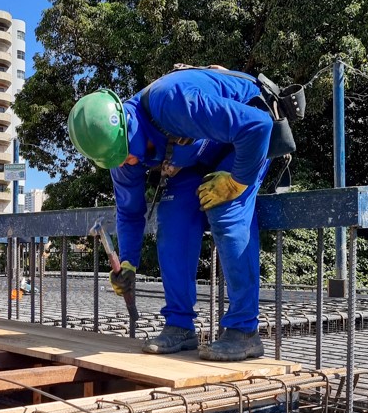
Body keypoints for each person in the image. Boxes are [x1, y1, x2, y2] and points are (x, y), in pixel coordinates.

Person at [67, 67, 274, 361]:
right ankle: (180, 326)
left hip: (245, 140)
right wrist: (128, 262)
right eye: (117, 160)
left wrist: (236, 181)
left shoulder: (173, 102)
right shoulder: (119, 155)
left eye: (126, 154)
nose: (128, 162)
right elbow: (130, 212)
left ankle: (245, 331)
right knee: (173, 220)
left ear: (128, 125)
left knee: (225, 210)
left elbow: (258, 125)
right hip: (194, 156)